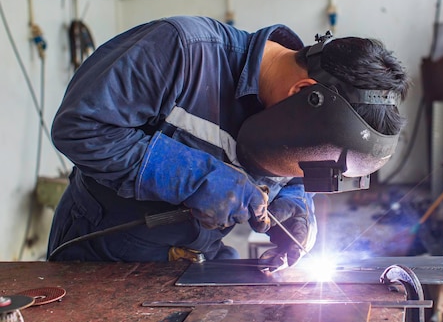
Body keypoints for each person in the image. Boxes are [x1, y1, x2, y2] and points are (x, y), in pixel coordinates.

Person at [47, 16, 410, 268]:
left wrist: (296, 208)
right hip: (100, 256)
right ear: (303, 93)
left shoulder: (300, 117)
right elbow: (80, 127)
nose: (305, 170)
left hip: (194, 261)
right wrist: (197, 179)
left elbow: (296, 175)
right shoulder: (181, 51)